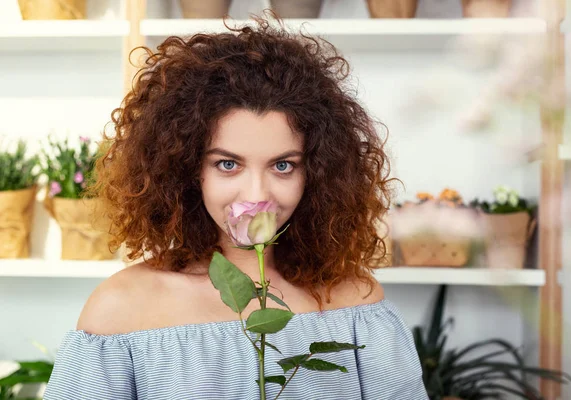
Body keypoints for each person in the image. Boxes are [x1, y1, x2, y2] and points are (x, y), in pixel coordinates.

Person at [43, 12, 428, 400]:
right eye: (228, 164)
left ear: (317, 173)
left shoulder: (357, 301)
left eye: (283, 165)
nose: (256, 195)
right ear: (186, 171)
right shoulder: (120, 309)